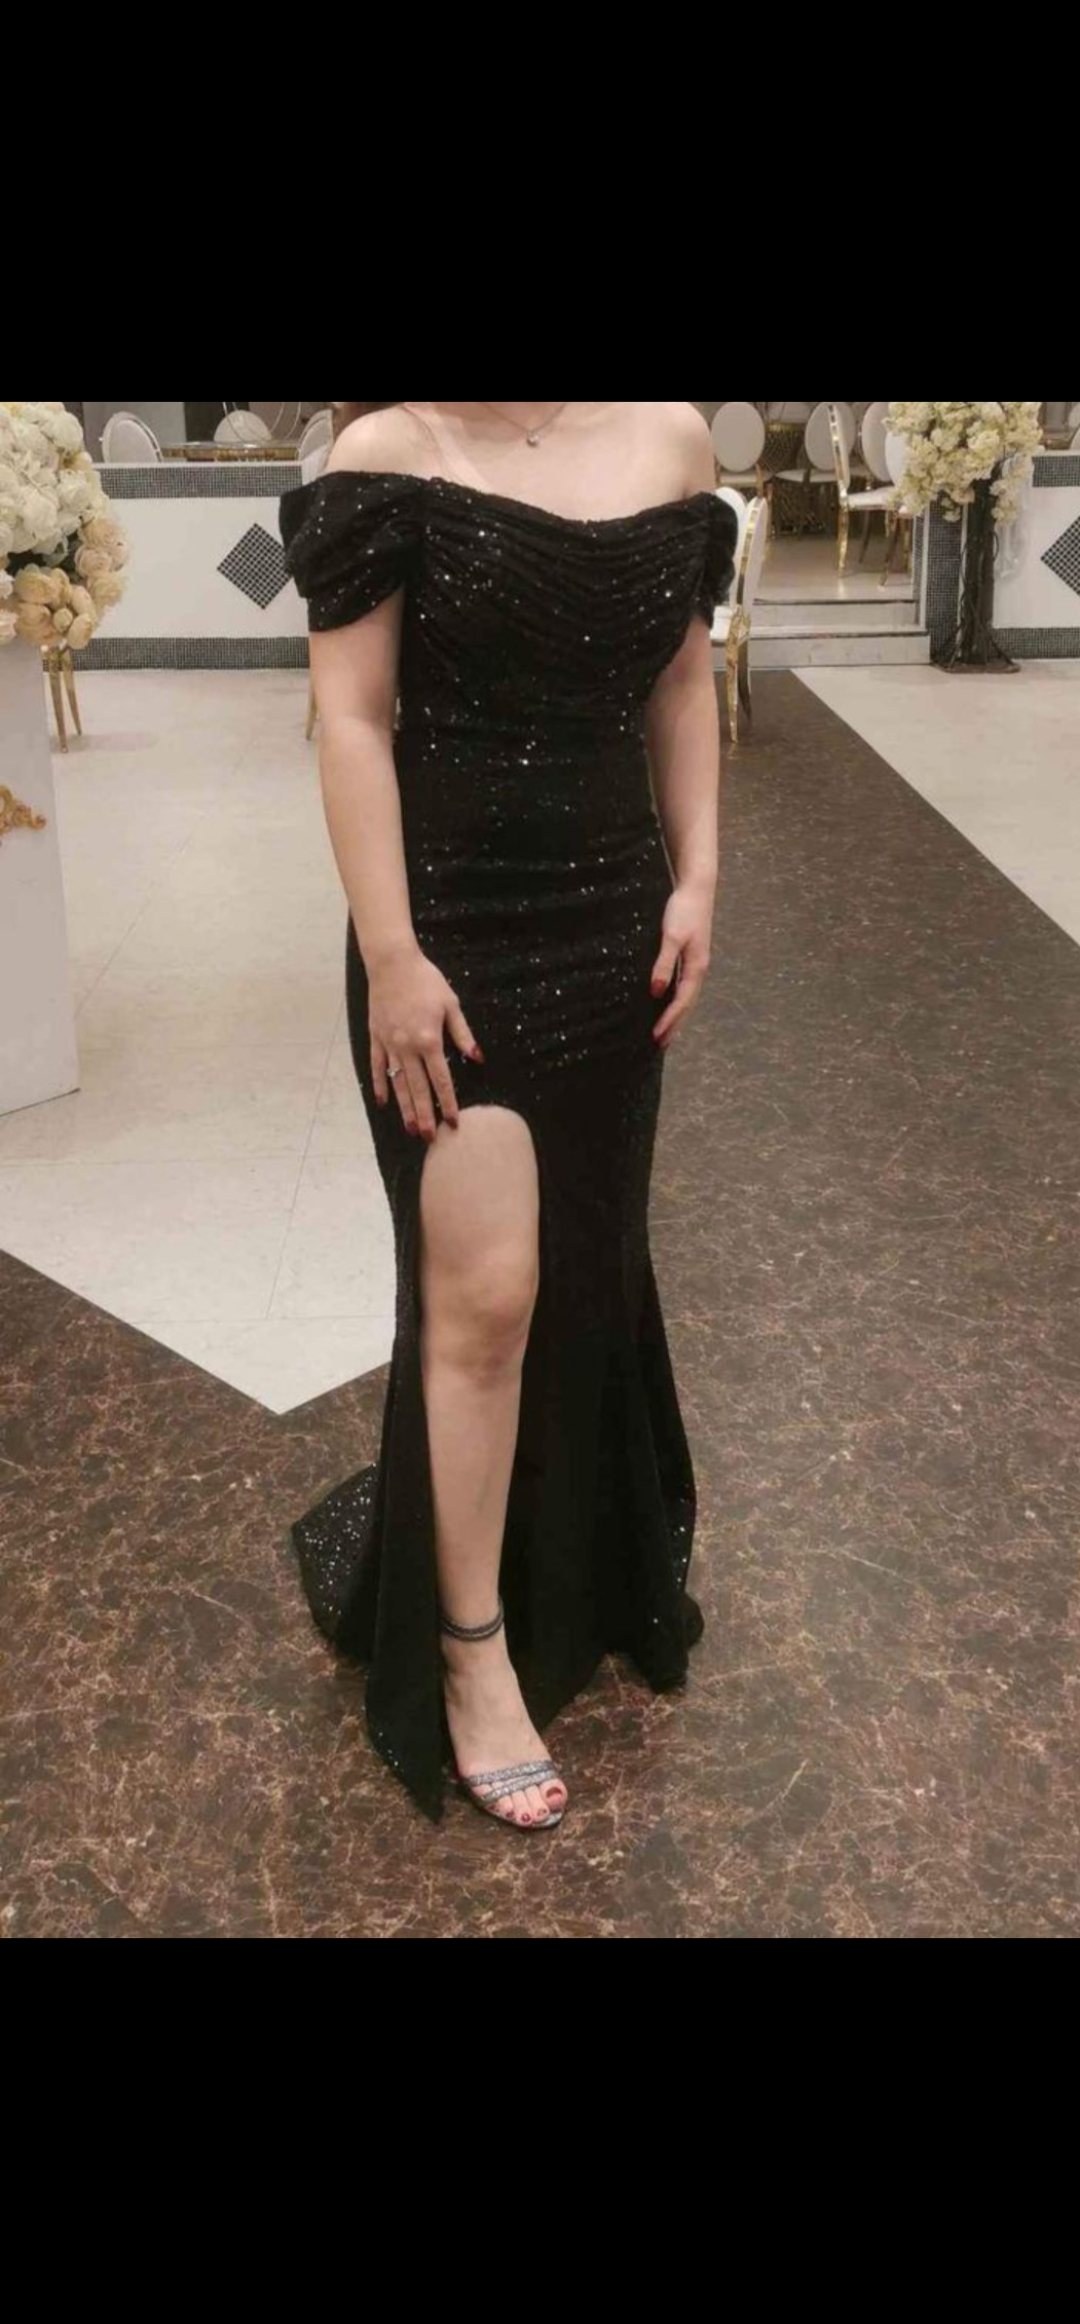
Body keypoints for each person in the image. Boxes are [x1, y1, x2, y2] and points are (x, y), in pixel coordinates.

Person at [280, 401, 735, 1832]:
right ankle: (470, 1653)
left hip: (615, 924)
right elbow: (352, 719)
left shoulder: (671, 441)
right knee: (485, 1294)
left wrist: (699, 880)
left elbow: (682, 683)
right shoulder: (389, 456)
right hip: (449, 931)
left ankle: (581, 1567)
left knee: (591, 1264)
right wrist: (391, 956)